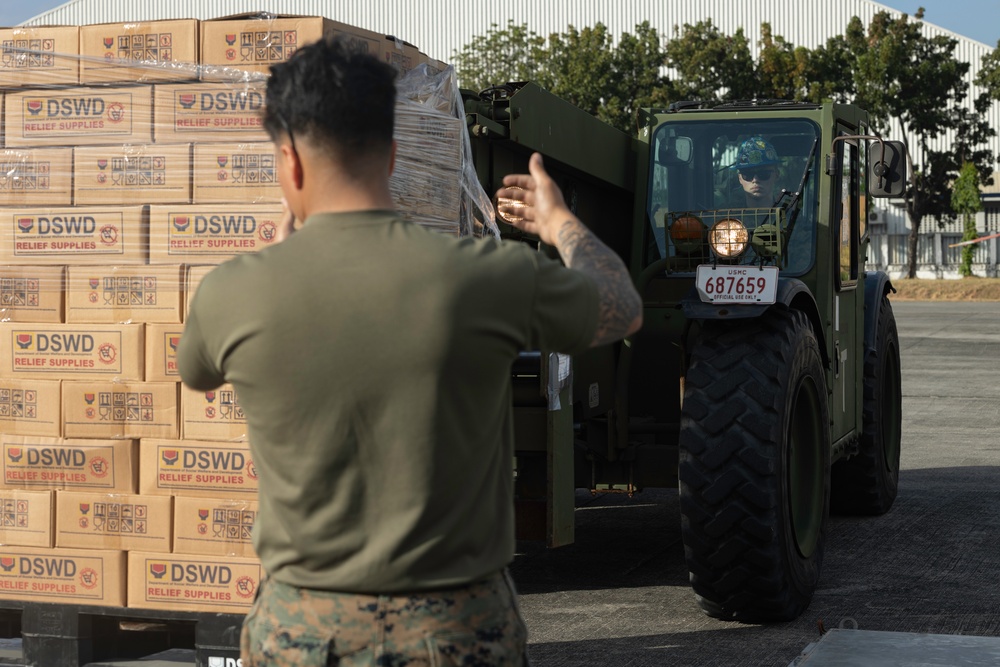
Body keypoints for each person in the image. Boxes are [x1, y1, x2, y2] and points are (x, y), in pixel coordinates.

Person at [177, 35, 643, 667]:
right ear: (393, 154)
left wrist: (278, 264)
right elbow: (621, 306)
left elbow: (197, 371)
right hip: (457, 631)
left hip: (301, 634)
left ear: (289, 162)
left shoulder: (233, 292)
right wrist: (558, 221)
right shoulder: (486, 276)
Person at [732, 135, 781, 208]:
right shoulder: (726, 213)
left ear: (776, 175)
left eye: (763, 174)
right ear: (740, 178)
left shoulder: (790, 213)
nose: (755, 180)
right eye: (748, 175)